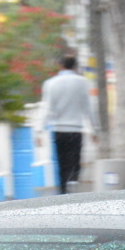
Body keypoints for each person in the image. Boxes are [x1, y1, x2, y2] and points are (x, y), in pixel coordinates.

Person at [41, 56, 98, 192]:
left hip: (59, 129)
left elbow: (46, 108)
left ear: (60, 65)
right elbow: (89, 108)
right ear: (75, 66)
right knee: (75, 162)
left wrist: (39, 130)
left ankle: (63, 191)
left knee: (62, 164)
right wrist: (94, 129)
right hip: (76, 130)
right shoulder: (83, 83)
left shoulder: (51, 83)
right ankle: (73, 184)